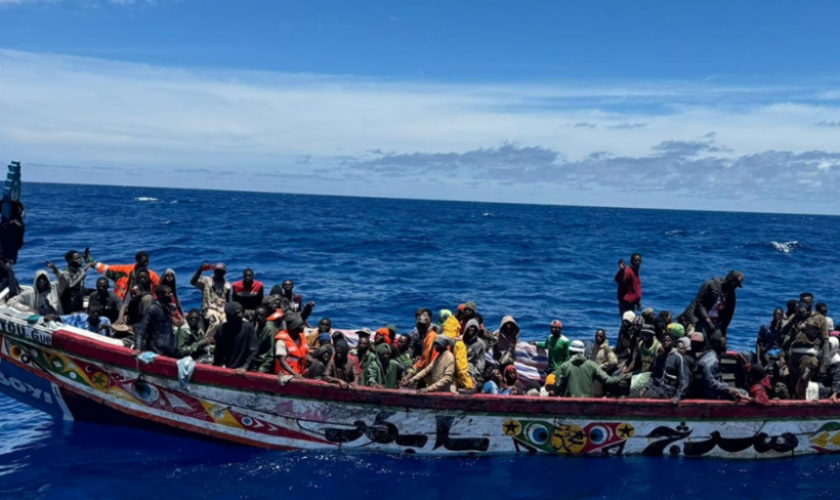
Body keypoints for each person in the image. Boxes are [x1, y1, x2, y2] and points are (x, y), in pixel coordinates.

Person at [783, 295, 831, 399]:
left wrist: (824, 363)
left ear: (811, 304)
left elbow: (825, 341)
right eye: (802, 302)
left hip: (809, 357)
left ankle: (802, 411)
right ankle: (792, 409)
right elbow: (783, 331)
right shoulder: (795, 317)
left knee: (801, 384)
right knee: (792, 385)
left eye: (807, 302)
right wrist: (795, 316)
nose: (804, 304)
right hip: (794, 356)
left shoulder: (820, 319)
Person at [681, 270, 744, 336]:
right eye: (734, 283)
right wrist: (707, 320)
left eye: (737, 284)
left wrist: (723, 327)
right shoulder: (711, 284)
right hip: (697, 317)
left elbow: (729, 312)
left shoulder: (730, 294)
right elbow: (700, 304)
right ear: (730, 279)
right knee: (701, 336)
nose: (735, 286)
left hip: (714, 321)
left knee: (718, 339)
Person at [553, 340, 622, 398]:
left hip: (569, 404)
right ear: (583, 352)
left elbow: (557, 386)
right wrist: (619, 378)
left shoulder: (564, 366)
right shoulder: (591, 365)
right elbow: (608, 380)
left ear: (570, 352)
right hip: (587, 404)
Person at [695, 333, 750, 401]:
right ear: (716, 345)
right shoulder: (711, 359)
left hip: (707, 389)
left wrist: (726, 386)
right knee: (744, 392)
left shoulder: (710, 354)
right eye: (724, 344)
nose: (726, 346)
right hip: (707, 392)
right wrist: (727, 388)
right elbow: (709, 382)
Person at [639, 333, 690, 403]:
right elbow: (653, 376)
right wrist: (645, 387)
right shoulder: (659, 357)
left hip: (668, 390)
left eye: (668, 341)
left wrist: (677, 397)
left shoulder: (678, 358)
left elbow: (684, 381)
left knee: (645, 398)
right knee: (635, 394)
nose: (666, 342)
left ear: (672, 342)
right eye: (664, 341)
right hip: (656, 388)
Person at [90, 250, 160, 300]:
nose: (145, 264)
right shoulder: (124, 271)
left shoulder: (153, 276)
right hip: (122, 301)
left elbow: (158, 290)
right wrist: (90, 260)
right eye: (143, 261)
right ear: (137, 260)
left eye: (147, 262)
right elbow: (106, 269)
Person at [133, 285, 177, 357]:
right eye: (168, 293)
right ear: (160, 295)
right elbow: (141, 330)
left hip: (169, 349)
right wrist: (138, 347)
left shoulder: (168, 308)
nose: (171, 295)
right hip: (156, 350)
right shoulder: (152, 309)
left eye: (171, 293)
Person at [214, 302, 257, 374]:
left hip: (243, 369)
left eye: (241, 311)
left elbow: (254, 350)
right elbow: (218, 351)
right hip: (226, 367)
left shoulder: (248, 327)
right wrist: (220, 365)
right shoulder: (221, 329)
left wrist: (244, 367)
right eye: (238, 312)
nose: (241, 314)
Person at [46, 249, 91, 313]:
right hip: (70, 302)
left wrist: (87, 258)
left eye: (80, 258)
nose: (80, 260)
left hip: (79, 298)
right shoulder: (66, 272)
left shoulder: (77, 270)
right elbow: (70, 285)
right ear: (69, 260)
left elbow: (84, 269)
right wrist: (81, 276)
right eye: (77, 259)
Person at [623, 327, 663, 395]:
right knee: (621, 380)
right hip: (641, 371)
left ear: (651, 336)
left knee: (634, 386)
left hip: (650, 373)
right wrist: (627, 370)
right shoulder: (641, 344)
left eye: (646, 335)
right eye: (643, 335)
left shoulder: (659, 347)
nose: (644, 337)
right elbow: (635, 359)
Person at [274, 313, 308, 379]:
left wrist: (315, 362)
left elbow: (305, 354)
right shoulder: (281, 342)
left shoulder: (301, 337)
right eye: (300, 325)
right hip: (286, 374)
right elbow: (282, 361)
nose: (303, 326)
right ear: (294, 327)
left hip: (300, 371)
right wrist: (295, 374)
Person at [589, 329, 618, 396]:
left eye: (600, 336)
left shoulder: (606, 348)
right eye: (597, 336)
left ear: (604, 337)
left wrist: (600, 367)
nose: (598, 337)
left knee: (597, 394)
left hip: (600, 375)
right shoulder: (595, 346)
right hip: (592, 373)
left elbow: (614, 361)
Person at [251, 306, 279, 373]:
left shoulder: (270, 329)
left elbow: (271, 352)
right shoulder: (257, 326)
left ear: (267, 316)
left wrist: (263, 369)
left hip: (263, 364)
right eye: (257, 315)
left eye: (261, 315)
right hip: (255, 361)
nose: (259, 317)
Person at [463, 320, 487, 386]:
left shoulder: (480, 344)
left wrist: (475, 375)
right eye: (470, 327)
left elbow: (481, 363)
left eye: (474, 327)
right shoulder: (461, 340)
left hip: (471, 371)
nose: (472, 329)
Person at [819, 337, 840, 402]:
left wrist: (835, 393)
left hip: (831, 389)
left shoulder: (837, 362)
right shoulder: (819, 356)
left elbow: (837, 379)